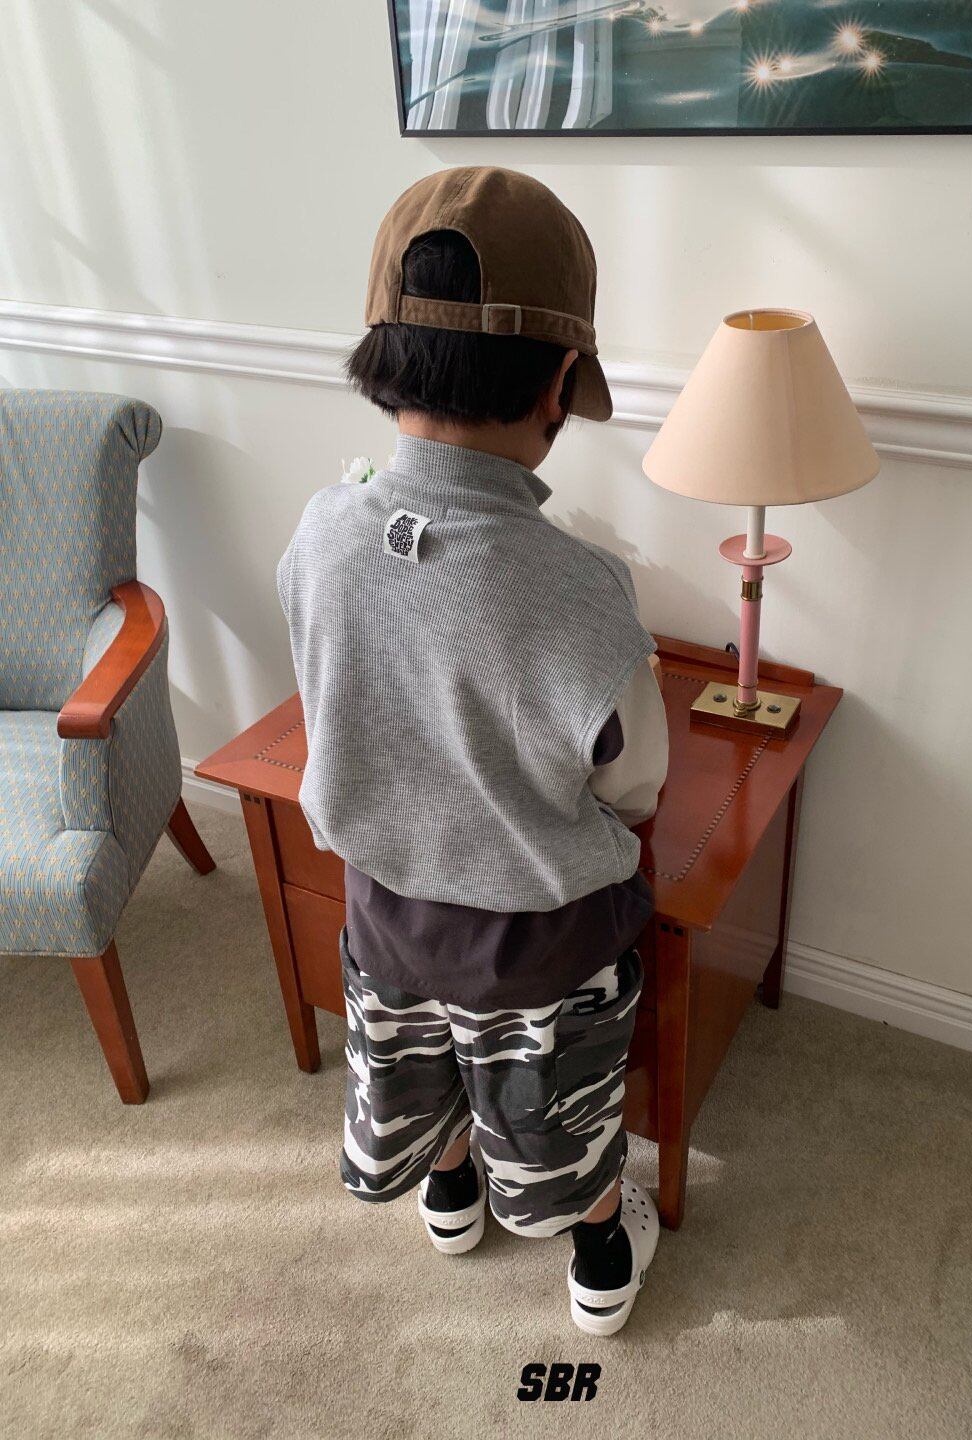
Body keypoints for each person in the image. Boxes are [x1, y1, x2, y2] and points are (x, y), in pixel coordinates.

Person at [277, 166, 668, 1337]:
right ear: (559, 387)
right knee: (557, 1116)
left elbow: (334, 697)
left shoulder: (320, 532)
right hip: (539, 945)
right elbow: (635, 785)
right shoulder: (582, 591)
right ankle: (598, 1245)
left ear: (383, 358)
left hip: (387, 916)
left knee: (413, 1062)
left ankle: (447, 1190)